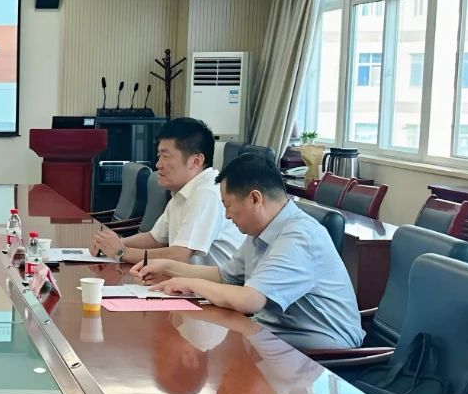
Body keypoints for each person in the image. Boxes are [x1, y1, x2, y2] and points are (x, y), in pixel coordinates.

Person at [133, 154, 365, 351]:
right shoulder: (261, 230)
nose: (227, 215)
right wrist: (168, 267)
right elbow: (225, 276)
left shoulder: (299, 235)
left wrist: (191, 283)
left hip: (323, 351)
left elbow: (249, 300)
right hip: (276, 336)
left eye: (228, 205)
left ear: (255, 198)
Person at [92, 118, 243, 266]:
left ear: (196, 161)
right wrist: (113, 243)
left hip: (211, 282)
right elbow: (155, 239)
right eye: (159, 156)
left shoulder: (208, 192)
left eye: (166, 157)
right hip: (186, 279)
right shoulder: (182, 191)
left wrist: (122, 252)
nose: (158, 164)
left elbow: (179, 255)